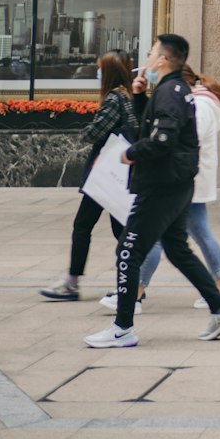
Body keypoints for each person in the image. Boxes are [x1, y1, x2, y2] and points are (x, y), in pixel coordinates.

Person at [83, 33, 220, 349]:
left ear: (164, 59)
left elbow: (163, 139)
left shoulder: (170, 92)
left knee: (127, 250)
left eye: (153, 52)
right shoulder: (177, 90)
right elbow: (156, 125)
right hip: (178, 184)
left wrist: (132, 154)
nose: (148, 58)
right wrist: (141, 97)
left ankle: (123, 327)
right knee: (177, 249)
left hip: (161, 186)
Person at [119, 71, 220, 311]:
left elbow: (186, 138)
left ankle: (136, 292)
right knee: (191, 236)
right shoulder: (199, 101)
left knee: (166, 239)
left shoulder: (199, 104)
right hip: (188, 178)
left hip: (184, 178)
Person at [40, 51, 136, 302]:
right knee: (120, 230)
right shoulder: (127, 96)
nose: (97, 73)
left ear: (109, 73)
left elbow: (95, 133)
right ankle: (132, 283)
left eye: (99, 69)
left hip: (105, 173)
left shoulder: (114, 98)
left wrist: (86, 129)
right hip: (115, 173)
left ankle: (73, 283)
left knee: (84, 226)